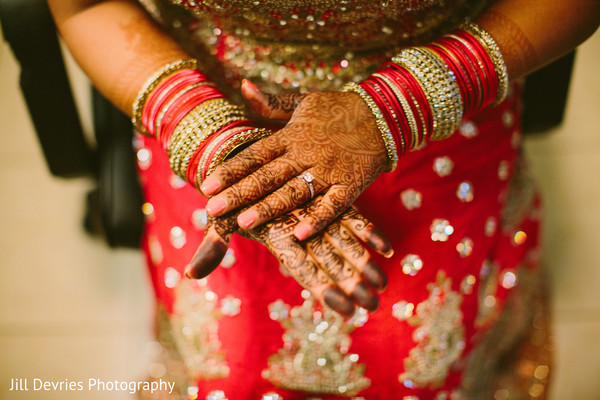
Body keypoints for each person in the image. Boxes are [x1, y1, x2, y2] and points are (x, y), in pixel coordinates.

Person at [48, 0, 599, 399]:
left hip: (439, 87)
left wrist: (396, 108)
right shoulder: (215, 131)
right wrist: (215, 141)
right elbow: (85, 5)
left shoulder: (418, 98)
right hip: (208, 94)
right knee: (230, 364)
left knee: (419, 356)